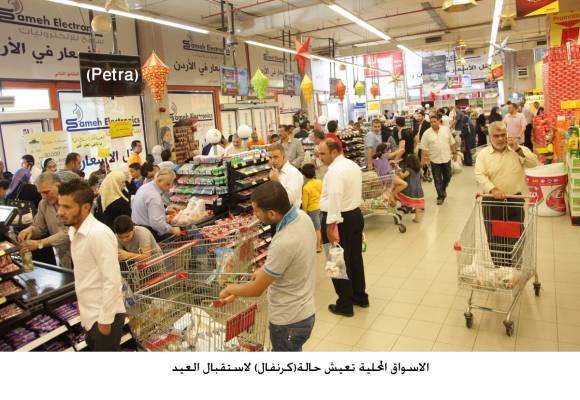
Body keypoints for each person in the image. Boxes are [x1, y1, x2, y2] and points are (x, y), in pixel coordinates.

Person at [218, 181, 316, 352]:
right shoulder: (302, 217)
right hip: (305, 311)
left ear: (271, 213)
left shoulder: (284, 241)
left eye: (256, 210)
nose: (254, 214)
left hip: (288, 321)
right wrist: (264, 270)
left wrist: (229, 289)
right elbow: (292, 260)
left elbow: (256, 289)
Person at [57, 180, 126, 351]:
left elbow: (112, 280)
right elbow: (85, 274)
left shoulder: (99, 234)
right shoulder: (74, 231)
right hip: (90, 313)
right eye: (60, 205)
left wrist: (105, 320)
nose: (60, 212)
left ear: (86, 207)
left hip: (104, 316)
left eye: (67, 207)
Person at [474, 121, 540, 267]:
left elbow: (534, 163)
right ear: (490, 137)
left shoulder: (518, 150)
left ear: (507, 134)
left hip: (514, 200)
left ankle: (514, 268)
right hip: (492, 202)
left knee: (515, 236)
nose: (500, 138)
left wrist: (517, 149)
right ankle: (500, 268)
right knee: (495, 238)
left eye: (503, 135)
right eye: (496, 135)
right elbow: (480, 174)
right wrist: (493, 189)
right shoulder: (483, 155)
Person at [319, 139, 368, 317]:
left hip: (338, 220)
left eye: (323, 153)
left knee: (336, 261)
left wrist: (330, 228)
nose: (320, 157)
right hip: (354, 215)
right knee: (354, 258)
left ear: (334, 152)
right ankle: (360, 296)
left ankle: (344, 304)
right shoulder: (352, 165)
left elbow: (335, 198)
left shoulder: (335, 171)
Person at [17, 172, 73, 269]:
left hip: (80, 252)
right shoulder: (43, 204)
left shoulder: (72, 201)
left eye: (46, 192)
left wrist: (39, 243)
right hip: (63, 256)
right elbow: (39, 227)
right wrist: (30, 230)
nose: (43, 196)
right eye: (40, 193)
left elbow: (69, 232)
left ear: (58, 186)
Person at [131, 168, 181, 240]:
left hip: (137, 228)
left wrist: (165, 211)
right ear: (159, 180)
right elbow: (157, 223)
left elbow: (147, 209)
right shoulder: (154, 196)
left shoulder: (145, 187)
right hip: (148, 232)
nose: (170, 187)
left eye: (171, 184)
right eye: (167, 184)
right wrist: (172, 230)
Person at [420, 114, 458, 205]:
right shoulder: (426, 133)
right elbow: (423, 148)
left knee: (448, 176)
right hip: (434, 159)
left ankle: (443, 189)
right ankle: (440, 196)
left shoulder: (446, 130)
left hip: (446, 157)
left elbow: (452, 142)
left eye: (435, 121)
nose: (433, 124)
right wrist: (422, 160)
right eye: (431, 122)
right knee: (437, 179)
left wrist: (454, 153)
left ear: (439, 121)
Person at [373, 143, 407, 207]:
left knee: (390, 190)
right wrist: (401, 149)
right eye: (388, 149)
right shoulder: (384, 156)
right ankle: (393, 195)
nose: (390, 151)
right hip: (388, 177)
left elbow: (381, 166)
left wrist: (389, 163)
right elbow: (392, 154)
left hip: (384, 178)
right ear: (384, 151)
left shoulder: (377, 159)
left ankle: (392, 199)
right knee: (404, 184)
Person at [300, 163, 323, 253]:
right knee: (319, 227)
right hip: (320, 207)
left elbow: (305, 202)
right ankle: (320, 244)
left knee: (316, 229)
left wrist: (304, 213)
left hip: (312, 210)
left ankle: (318, 247)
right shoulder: (319, 182)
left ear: (304, 175)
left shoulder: (306, 187)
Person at [398, 154, 425, 223]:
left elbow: (403, 176)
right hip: (419, 188)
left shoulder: (409, 169)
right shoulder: (419, 169)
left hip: (411, 188)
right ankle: (417, 218)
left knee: (399, 193)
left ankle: (404, 206)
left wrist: (398, 170)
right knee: (417, 204)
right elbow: (421, 176)